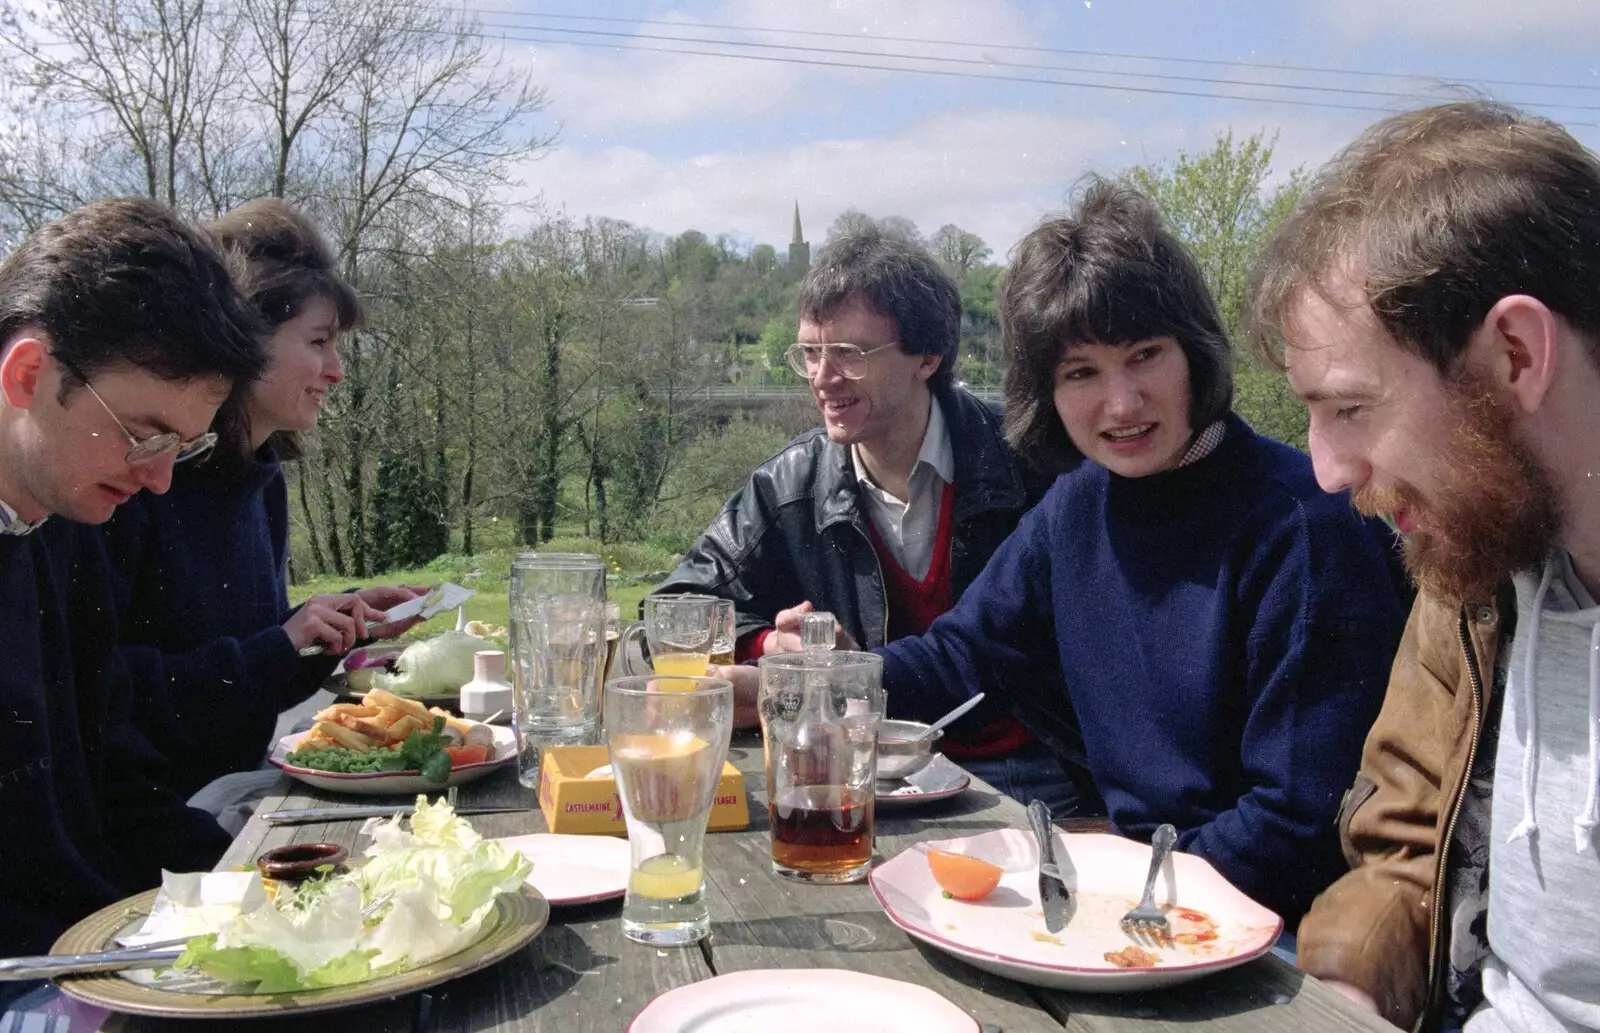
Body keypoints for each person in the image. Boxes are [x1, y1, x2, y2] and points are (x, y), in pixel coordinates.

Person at [821, 181, 1407, 921]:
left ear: (1194, 353)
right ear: (1047, 392)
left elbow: (1294, 825)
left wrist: (1112, 895)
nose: (1122, 403)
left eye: (1145, 355)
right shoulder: (1078, 503)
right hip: (1141, 892)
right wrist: (817, 679)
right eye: (1082, 373)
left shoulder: (1303, 526)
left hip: (1267, 931)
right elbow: (962, 657)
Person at [1248, 101, 1600, 1033]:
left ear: (1517, 354)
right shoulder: (1480, 569)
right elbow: (1406, 852)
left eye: (1352, 409)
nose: (1325, 470)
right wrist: (1349, 993)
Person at [656, 225, 1090, 813]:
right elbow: (677, 605)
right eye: (810, 352)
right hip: (856, 768)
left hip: (1029, 772)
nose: (822, 377)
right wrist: (775, 647)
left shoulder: (1036, 469)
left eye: (850, 354)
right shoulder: (789, 485)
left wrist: (825, 679)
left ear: (927, 357)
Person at [0, 197, 265, 997]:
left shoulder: (66, 527)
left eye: (183, 447)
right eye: (143, 432)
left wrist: (254, 878)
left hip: (99, 958)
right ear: (28, 374)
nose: (156, 480)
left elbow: (115, 780)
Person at [102, 198, 421, 807]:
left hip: (239, 792)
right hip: (162, 814)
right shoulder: (138, 481)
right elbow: (108, 691)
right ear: (243, 340)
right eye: (320, 341)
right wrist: (279, 644)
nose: (336, 371)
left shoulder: (261, 477)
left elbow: (244, 670)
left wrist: (330, 626)